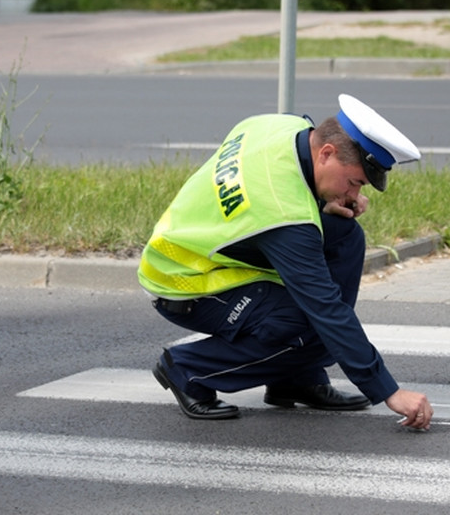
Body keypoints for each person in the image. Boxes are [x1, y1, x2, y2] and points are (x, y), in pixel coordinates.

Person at [139, 94, 433, 430]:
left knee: (346, 237)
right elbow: (324, 307)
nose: (355, 196)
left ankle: (295, 377)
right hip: (183, 281)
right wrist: (388, 391)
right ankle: (190, 368)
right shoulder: (284, 216)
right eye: (354, 183)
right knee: (307, 322)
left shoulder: (283, 126)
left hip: (212, 248)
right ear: (326, 153)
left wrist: (325, 200)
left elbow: (275, 183)